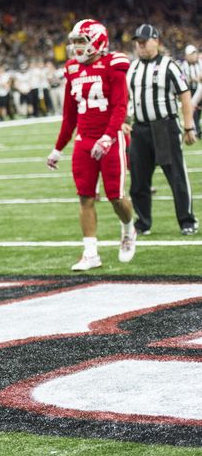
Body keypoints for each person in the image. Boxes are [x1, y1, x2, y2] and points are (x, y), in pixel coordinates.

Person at [46, 19, 136, 271]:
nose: (75, 46)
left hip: (110, 139)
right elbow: (69, 116)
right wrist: (57, 148)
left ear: (97, 41)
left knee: (115, 197)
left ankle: (129, 229)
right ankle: (90, 253)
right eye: (74, 41)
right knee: (85, 197)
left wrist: (108, 137)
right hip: (84, 141)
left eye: (81, 41)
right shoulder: (72, 69)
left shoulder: (113, 64)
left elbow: (120, 106)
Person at [126, 24, 198, 236]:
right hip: (139, 129)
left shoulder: (169, 65)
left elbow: (184, 95)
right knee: (138, 179)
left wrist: (188, 125)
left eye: (144, 41)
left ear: (156, 40)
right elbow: (128, 98)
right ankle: (143, 222)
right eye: (137, 42)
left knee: (176, 175)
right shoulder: (133, 68)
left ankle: (187, 220)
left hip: (164, 127)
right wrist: (125, 119)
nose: (140, 46)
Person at [181, 44, 202, 134]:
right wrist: (192, 79)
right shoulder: (183, 66)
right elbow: (181, 80)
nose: (194, 56)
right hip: (191, 91)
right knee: (194, 111)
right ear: (187, 56)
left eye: (194, 53)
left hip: (200, 88)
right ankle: (196, 130)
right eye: (191, 54)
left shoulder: (200, 63)